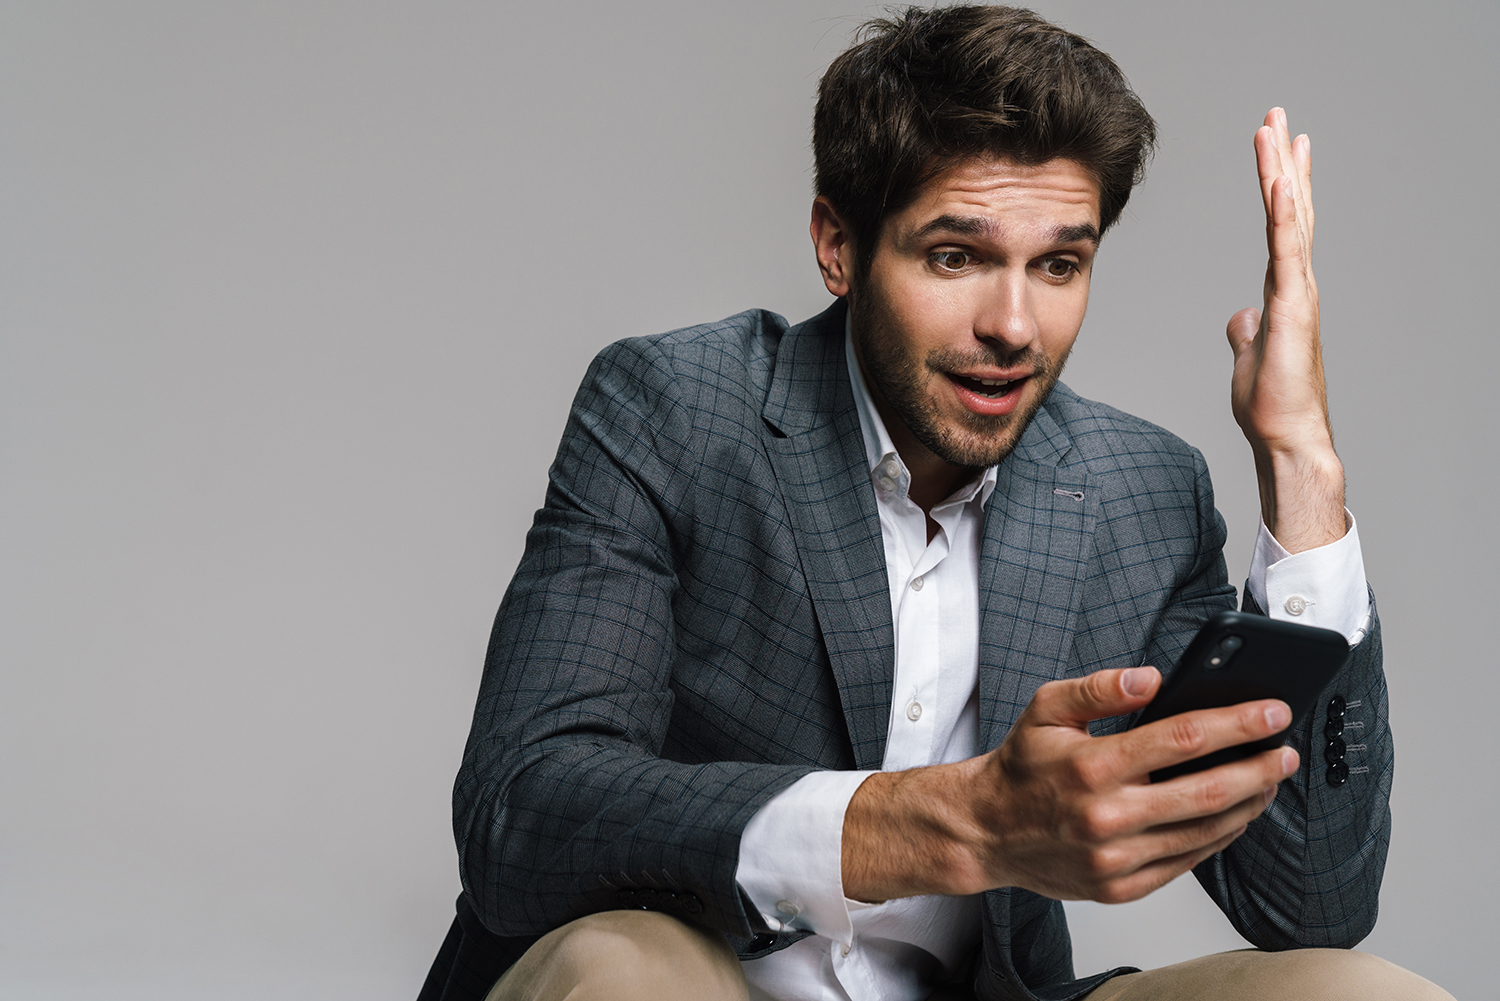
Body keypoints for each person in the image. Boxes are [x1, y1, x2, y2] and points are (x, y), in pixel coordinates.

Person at [418, 6, 1451, 1000]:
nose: (1013, 322)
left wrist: (1301, 459)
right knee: (629, 970)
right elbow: (526, 807)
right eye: (956, 255)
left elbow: (1310, 897)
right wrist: (959, 823)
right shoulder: (677, 410)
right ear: (839, 244)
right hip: (695, 974)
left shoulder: (1141, 490)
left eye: (1059, 264)